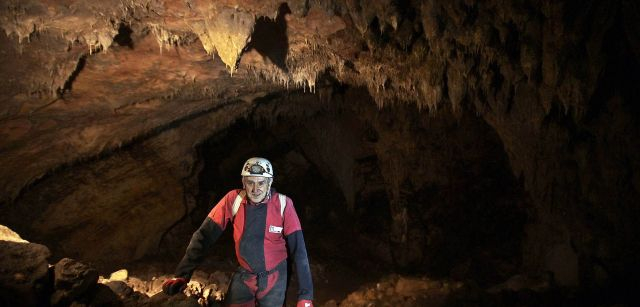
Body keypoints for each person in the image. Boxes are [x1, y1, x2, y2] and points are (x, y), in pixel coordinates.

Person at [162, 157, 314, 307]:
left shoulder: (283, 204)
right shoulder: (233, 200)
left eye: (261, 182)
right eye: (250, 182)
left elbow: (299, 251)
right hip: (245, 275)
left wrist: (305, 296)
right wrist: (182, 275)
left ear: (270, 182)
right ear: (243, 182)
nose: (255, 189)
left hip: (274, 278)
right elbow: (204, 236)